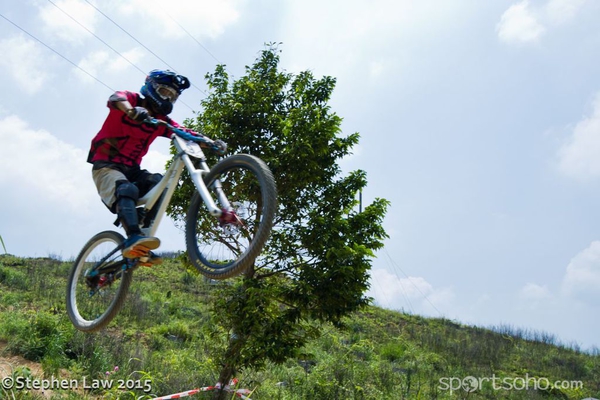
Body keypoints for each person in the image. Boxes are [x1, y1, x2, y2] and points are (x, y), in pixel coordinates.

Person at [87, 69, 193, 261]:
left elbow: (182, 131)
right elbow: (116, 97)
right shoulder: (131, 100)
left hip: (132, 170)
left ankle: (142, 239)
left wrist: (208, 141)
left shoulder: (161, 121)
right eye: (164, 92)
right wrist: (130, 110)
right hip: (106, 166)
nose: (168, 99)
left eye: (173, 97)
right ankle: (132, 236)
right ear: (151, 87)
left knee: (160, 184)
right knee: (125, 188)